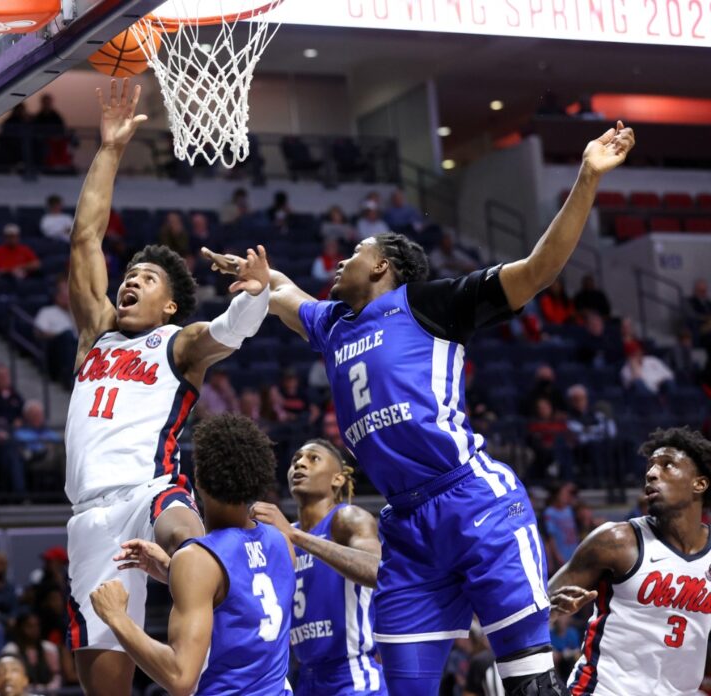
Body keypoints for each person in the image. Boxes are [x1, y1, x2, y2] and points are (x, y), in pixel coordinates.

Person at [205, 120, 635, 695]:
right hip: (406, 527)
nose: (340, 260)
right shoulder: (332, 323)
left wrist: (586, 176)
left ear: (383, 266)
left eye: (356, 252)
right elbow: (284, 295)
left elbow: (536, 272)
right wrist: (260, 277)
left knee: (530, 686)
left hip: (472, 502)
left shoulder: (430, 304)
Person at [64, 79, 272, 696]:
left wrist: (256, 298)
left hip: (149, 491)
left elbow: (228, 333)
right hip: (87, 522)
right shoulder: (96, 336)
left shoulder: (177, 343)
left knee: (189, 541)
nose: (130, 283)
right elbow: (84, 240)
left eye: (146, 278)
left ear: (170, 303)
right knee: (104, 687)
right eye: (128, 276)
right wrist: (109, 148)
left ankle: (239, 652)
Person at [90, 414, 296, 695]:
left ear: (197, 478)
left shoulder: (198, 559)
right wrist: (173, 571)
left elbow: (180, 678)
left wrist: (116, 617)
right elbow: (245, 606)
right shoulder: (281, 542)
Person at [549, 427, 711, 695]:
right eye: (650, 466)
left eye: (668, 465)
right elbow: (536, 613)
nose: (651, 473)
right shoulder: (616, 540)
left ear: (699, 484)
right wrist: (549, 611)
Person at [251, 439, 387, 694]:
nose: (300, 463)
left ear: (337, 479)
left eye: (313, 459)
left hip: (352, 674)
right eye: (295, 460)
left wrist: (296, 538)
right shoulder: (284, 535)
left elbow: (377, 570)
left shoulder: (346, 518)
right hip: (306, 677)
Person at [2, 610, 62, 690]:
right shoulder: (11, 651)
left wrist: (48, 689)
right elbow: (9, 679)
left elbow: (56, 676)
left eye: (37, 626)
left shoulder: (49, 649)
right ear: (20, 628)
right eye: (29, 626)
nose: (34, 629)